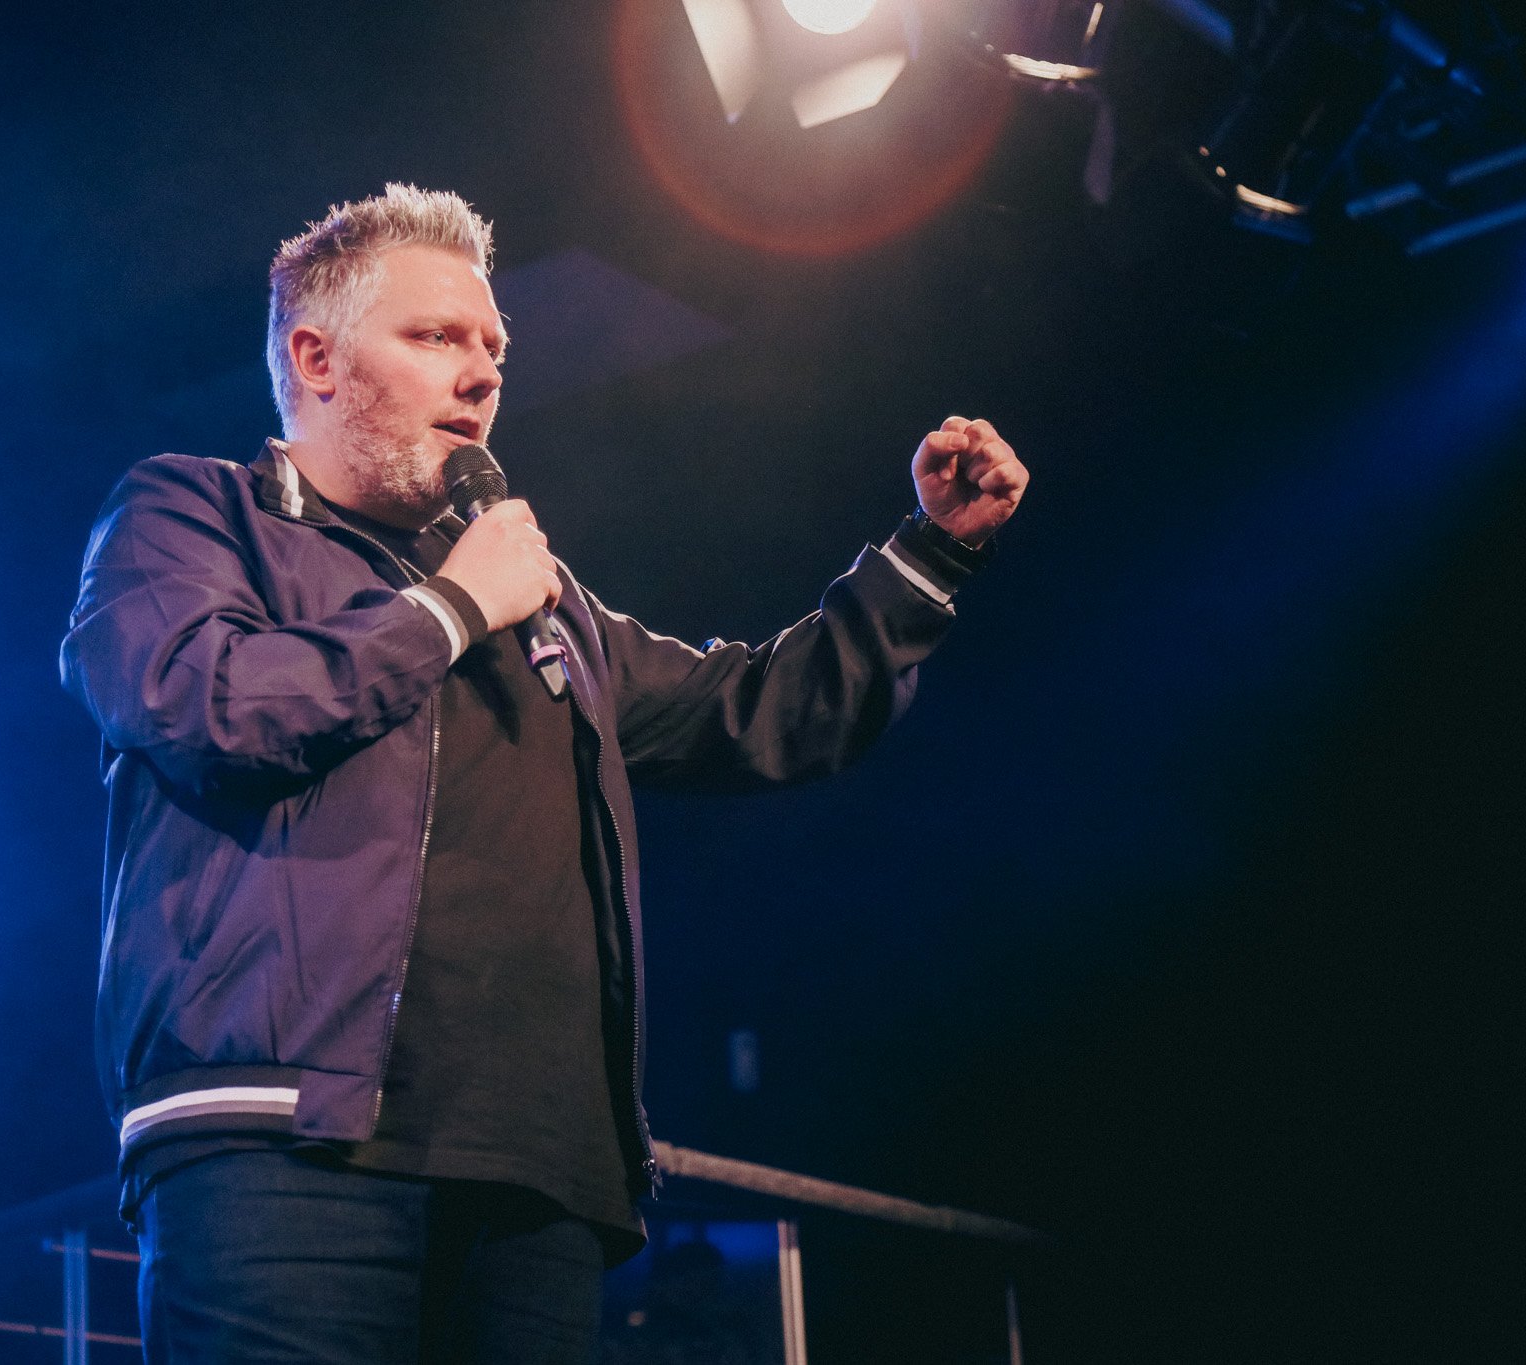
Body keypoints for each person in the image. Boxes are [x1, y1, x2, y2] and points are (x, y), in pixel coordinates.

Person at [59, 183, 1028, 1365]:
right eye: (435, 338)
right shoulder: (194, 512)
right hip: (285, 1147)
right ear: (314, 356)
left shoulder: (541, 601)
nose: (481, 374)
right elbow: (202, 704)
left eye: (491, 349)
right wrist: (450, 607)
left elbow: (755, 711)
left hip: (537, 1174)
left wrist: (927, 554)